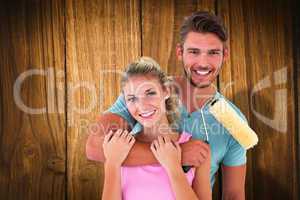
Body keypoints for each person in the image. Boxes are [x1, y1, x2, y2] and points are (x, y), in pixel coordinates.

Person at [87, 11, 247, 200]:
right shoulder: (146, 92)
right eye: (194, 51)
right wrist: (176, 155)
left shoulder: (235, 123)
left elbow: (234, 194)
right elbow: (95, 147)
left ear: (225, 54)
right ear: (180, 52)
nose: (203, 63)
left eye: (213, 52)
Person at [101, 57, 211, 200]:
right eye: (132, 99)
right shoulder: (119, 149)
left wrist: (174, 168)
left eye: (150, 93)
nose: (142, 106)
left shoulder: (198, 152)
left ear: (166, 90)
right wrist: (112, 164)